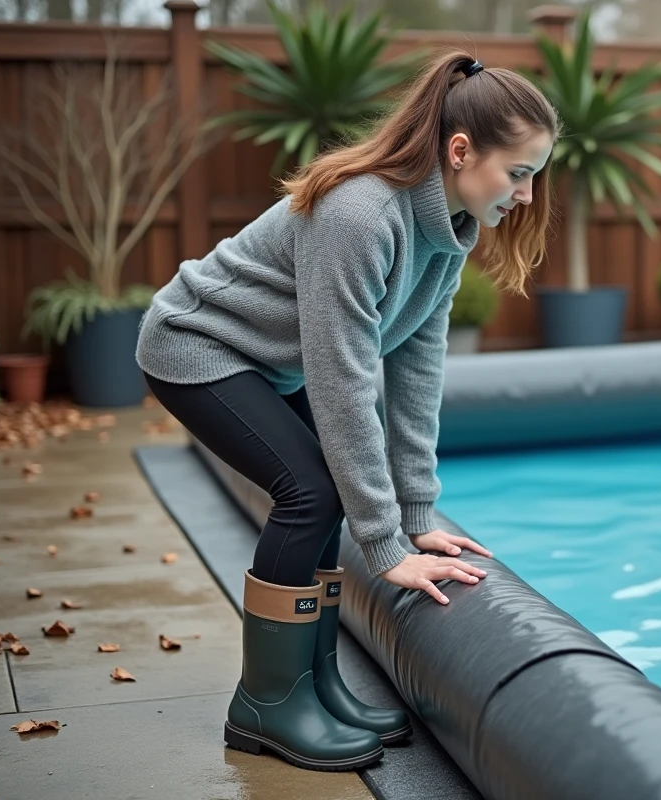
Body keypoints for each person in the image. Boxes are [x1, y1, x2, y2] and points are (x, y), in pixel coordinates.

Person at [135, 50, 558, 771]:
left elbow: (417, 367)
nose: (524, 195)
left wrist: (418, 514)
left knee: (325, 488)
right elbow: (342, 376)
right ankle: (265, 703)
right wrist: (384, 543)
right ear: (460, 151)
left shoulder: (448, 230)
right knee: (311, 491)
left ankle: (314, 681)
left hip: (267, 357)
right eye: (517, 173)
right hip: (198, 345)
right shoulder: (361, 213)